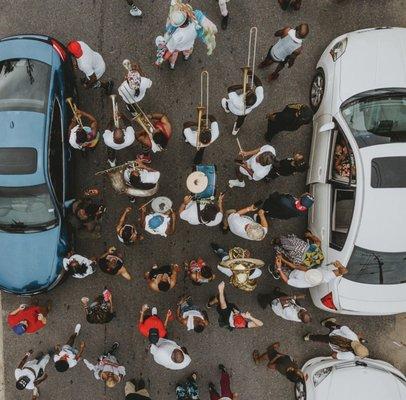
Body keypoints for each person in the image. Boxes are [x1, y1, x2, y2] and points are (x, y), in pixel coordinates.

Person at [156, 1, 217, 70]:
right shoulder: (195, 25)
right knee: (187, 52)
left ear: (178, 25)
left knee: (174, 55)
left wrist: (160, 61)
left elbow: (169, 51)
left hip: (177, 48)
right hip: (189, 45)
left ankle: (172, 64)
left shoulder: (176, 36)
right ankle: (186, 57)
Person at [303, 318, 369, 360]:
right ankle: (308, 337)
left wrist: (336, 326)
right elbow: (334, 355)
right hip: (332, 343)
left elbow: (342, 328)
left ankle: (325, 323)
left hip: (334, 332)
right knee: (320, 338)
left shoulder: (354, 337)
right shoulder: (350, 356)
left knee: (331, 325)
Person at [276, 255, 348, 289]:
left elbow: (287, 280)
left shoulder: (301, 283)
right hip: (296, 270)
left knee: (277, 268)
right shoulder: (326, 275)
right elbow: (344, 271)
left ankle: (275, 272)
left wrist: (279, 267)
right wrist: (340, 266)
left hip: (290, 275)